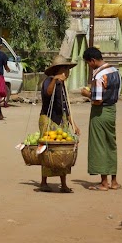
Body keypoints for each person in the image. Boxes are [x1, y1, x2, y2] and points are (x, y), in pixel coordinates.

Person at [80, 47, 122, 191]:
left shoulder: (99, 76)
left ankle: (104, 182)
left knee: (99, 145)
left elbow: (97, 99)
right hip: (112, 110)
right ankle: (114, 181)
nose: (89, 66)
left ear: (92, 61)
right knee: (111, 144)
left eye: (88, 63)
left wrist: (86, 93)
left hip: (100, 112)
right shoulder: (115, 71)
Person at [38, 55, 80, 193]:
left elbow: (66, 106)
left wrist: (73, 124)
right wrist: (55, 79)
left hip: (61, 120)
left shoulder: (63, 85)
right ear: (60, 70)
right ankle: (44, 182)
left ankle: (64, 184)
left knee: (63, 152)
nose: (68, 73)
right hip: (48, 119)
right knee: (48, 151)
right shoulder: (48, 81)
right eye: (66, 70)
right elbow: (48, 93)